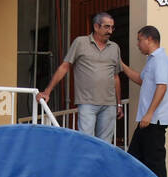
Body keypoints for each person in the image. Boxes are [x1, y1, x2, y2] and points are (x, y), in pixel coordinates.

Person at [37, 12, 122, 143]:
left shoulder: (115, 47)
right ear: (96, 26)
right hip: (87, 103)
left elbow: (115, 77)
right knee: (86, 141)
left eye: (112, 27)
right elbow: (64, 67)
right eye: (106, 27)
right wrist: (47, 91)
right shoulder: (80, 42)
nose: (110, 31)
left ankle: (100, 165)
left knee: (105, 145)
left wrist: (119, 103)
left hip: (109, 105)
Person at [121, 25, 168, 177]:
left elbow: (162, 86)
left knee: (154, 162)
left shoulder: (160, 59)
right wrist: (121, 65)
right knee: (135, 158)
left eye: (139, 40)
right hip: (147, 120)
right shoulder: (152, 60)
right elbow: (141, 79)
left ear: (149, 39)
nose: (137, 44)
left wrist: (149, 113)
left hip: (154, 119)